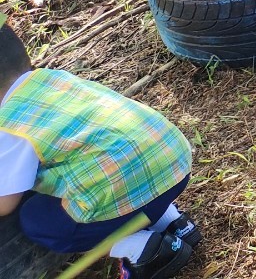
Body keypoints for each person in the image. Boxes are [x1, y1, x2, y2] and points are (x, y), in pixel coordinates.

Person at [0, 20, 199, 279]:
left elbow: (5, 204)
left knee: (38, 220)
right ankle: (174, 223)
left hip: (125, 185)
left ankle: (141, 248)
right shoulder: (55, 78)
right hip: (173, 160)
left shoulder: (9, 124)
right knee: (116, 169)